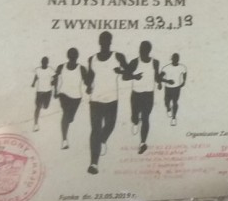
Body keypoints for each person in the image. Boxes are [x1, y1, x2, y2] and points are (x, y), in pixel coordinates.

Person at [85, 31, 130, 174]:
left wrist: (121, 71)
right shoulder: (92, 59)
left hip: (112, 99)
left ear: (110, 42)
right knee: (95, 130)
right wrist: (88, 86)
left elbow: (128, 73)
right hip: (95, 100)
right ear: (99, 42)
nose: (104, 43)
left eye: (107, 40)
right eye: (102, 40)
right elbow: (90, 77)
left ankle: (103, 140)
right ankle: (94, 164)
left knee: (110, 125)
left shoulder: (118, 56)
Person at [126, 40, 161, 155]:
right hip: (136, 94)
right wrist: (134, 76)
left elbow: (156, 76)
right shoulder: (134, 62)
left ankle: (143, 143)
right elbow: (125, 76)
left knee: (146, 118)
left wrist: (159, 82)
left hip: (148, 95)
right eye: (141, 50)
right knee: (135, 117)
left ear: (149, 51)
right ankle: (135, 122)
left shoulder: (155, 62)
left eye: (144, 50)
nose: (141, 52)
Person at [53, 47, 88, 150]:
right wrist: (55, 91)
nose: (72, 58)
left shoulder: (81, 69)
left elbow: (87, 82)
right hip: (63, 94)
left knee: (70, 118)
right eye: (71, 56)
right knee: (66, 115)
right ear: (68, 56)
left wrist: (90, 87)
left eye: (74, 56)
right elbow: (55, 79)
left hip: (76, 97)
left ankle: (67, 122)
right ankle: (64, 140)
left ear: (77, 57)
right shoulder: (61, 67)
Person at [159, 52, 188, 126]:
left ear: (178, 59)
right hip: (168, 88)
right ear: (171, 59)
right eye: (174, 59)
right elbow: (159, 77)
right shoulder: (166, 68)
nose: (175, 60)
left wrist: (184, 81)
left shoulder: (182, 67)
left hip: (176, 88)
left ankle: (174, 118)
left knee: (175, 102)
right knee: (166, 102)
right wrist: (167, 81)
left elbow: (185, 73)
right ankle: (168, 109)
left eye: (177, 59)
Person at [31, 56, 53, 131]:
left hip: (48, 92)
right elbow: (36, 76)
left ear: (47, 63)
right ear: (41, 63)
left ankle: (43, 104)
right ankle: (36, 124)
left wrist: (53, 82)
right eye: (43, 62)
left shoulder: (50, 70)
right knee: (37, 107)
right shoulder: (38, 70)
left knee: (46, 106)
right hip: (39, 92)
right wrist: (33, 83)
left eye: (45, 63)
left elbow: (55, 76)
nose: (44, 64)